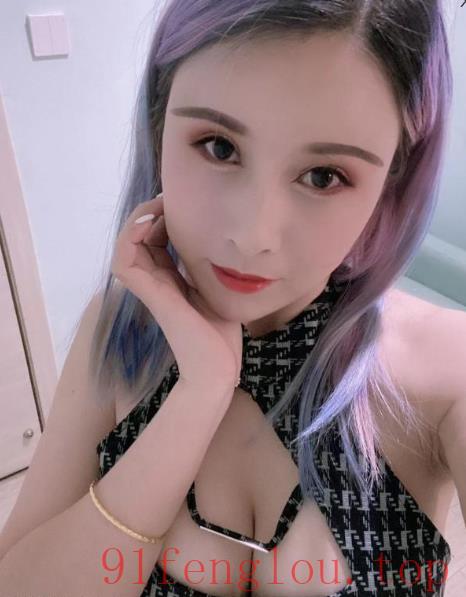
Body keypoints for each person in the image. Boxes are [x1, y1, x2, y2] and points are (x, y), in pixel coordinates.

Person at [0, 0, 464, 595]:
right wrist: (198, 393)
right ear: (159, 127)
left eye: (324, 176)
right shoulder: (121, 331)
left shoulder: (445, 368)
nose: (252, 235)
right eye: (218, 146)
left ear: (392, 183)